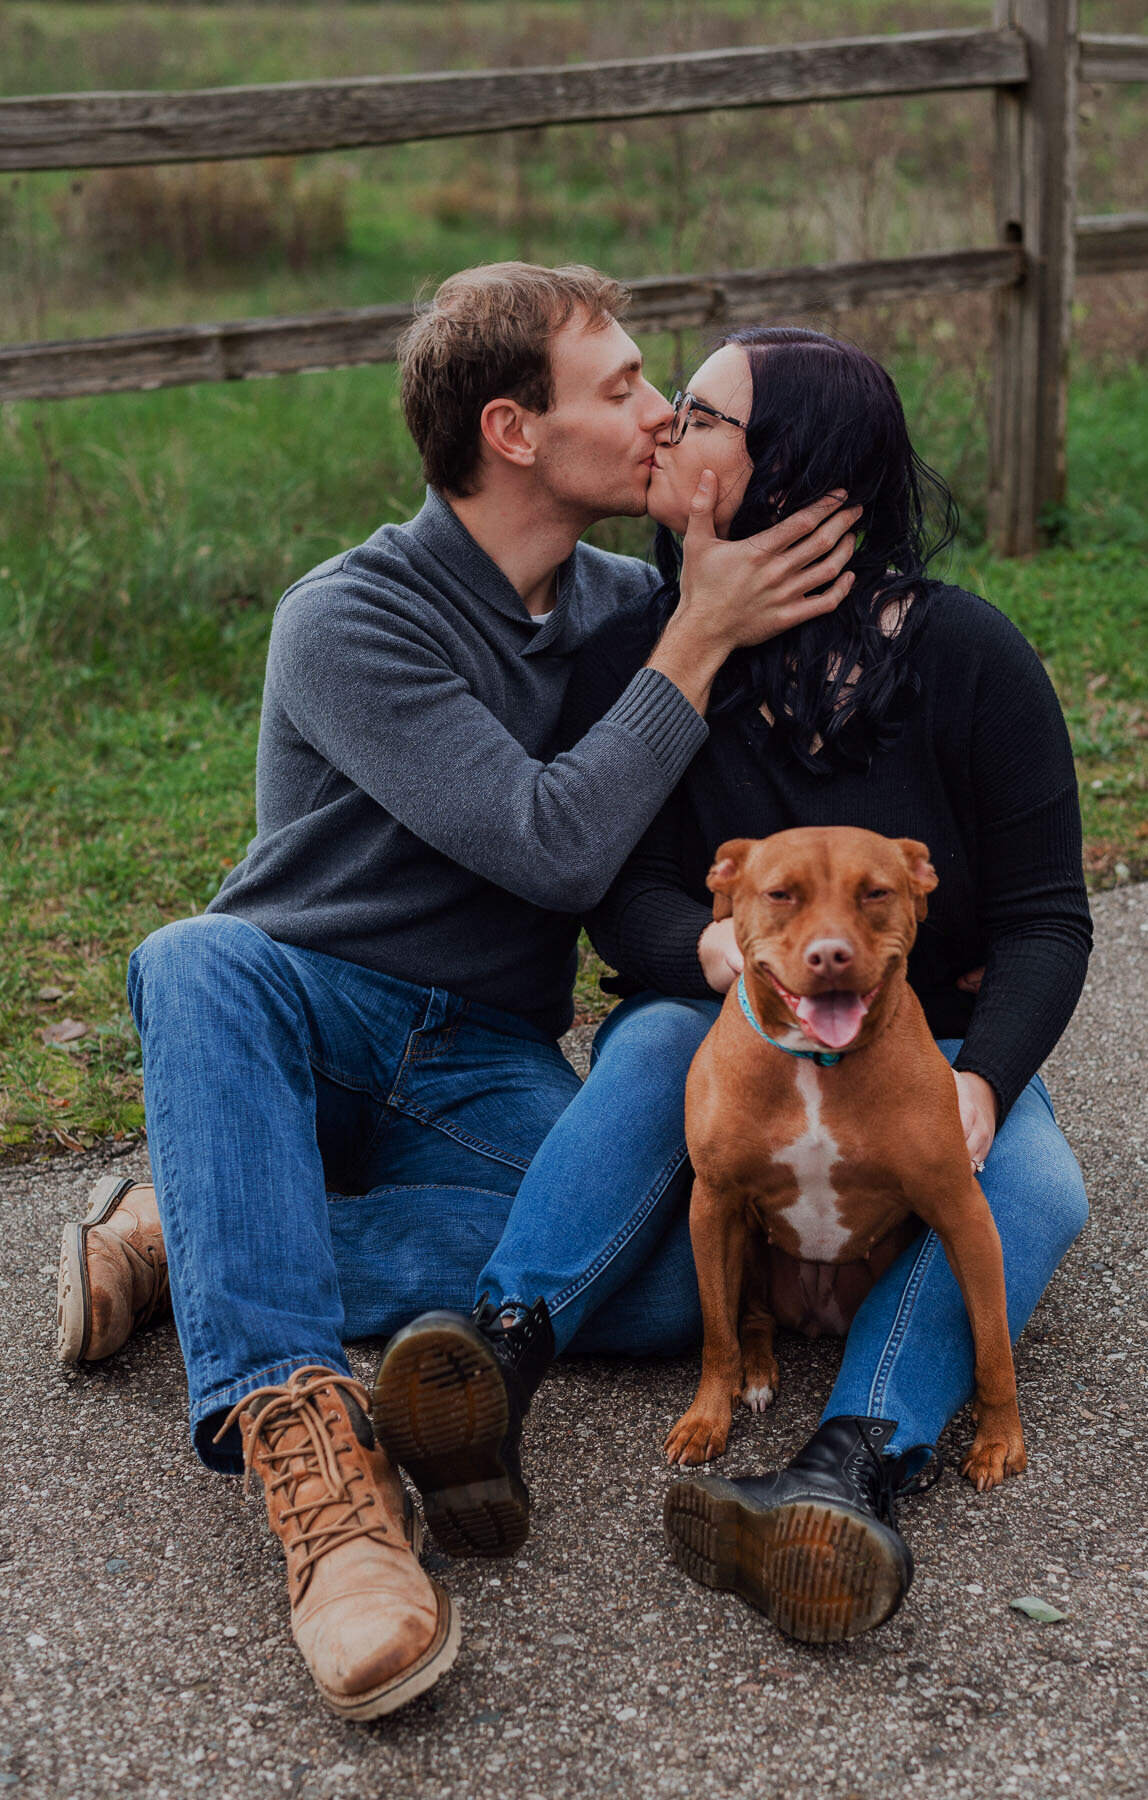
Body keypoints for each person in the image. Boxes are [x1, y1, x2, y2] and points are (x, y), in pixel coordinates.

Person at [54, 266, 863, 1718]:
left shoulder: (623, 602)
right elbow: (551, 843)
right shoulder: (349, 617)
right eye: (617, 386)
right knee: (190, 955)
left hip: (484, 1053)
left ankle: (199, 1233)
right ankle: (323, 1485)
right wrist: (698, 636)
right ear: (510, 430)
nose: (654, 405)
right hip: (303, 1014)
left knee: (675, 1270)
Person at [382, 325, 1091, 1643]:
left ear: (797, 473)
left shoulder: (967, 659)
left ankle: (845, 1469)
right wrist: (710, 956)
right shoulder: (643, 652)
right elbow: (622, 885)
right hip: (724, 1019)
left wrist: (983, 1078)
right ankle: (498, 1356)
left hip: (914, 1042)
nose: (662, 425)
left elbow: (1049, 917)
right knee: (661, 1047)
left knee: (1039, 1184)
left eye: (701, 416)